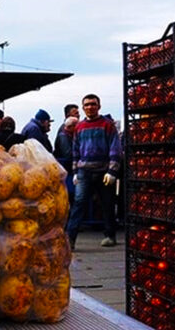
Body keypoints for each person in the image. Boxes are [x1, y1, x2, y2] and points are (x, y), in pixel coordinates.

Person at [66, 94, 122, 249]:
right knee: (78, 204)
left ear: (99, 106)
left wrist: (112, 171)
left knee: (107, 204)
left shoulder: (107, 125)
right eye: (87, 105)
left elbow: (115, 149)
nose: (90, 107)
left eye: (93, 104)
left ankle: (110, 235)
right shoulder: (79, 127)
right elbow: (75, 151)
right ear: (83, 108)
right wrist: (75, 171)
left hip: (104, 170)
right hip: (84, 171)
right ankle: (70, 240)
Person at [54, 116, 79, 211]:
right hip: (67, 170)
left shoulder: (67, 135)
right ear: (70, 127)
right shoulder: (64, 136)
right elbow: (68, 154)